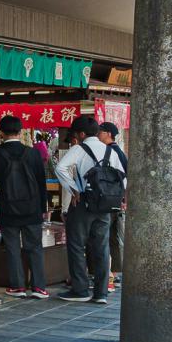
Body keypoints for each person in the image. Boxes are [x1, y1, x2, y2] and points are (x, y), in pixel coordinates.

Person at [54, 116, 125, 305]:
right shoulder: (110, 151)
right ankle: (101, 292)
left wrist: (73, 189)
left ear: (82, 134)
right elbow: (122, 178)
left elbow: (60, 168)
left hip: (83, 203)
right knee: (101, 246)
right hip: (105, 206)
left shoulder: (79, 149)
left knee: (77, 245)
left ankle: (81, 289)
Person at [0, 115, 49, 299]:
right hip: (32, 208)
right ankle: (39, 287)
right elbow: (41, 182)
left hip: (8, 209)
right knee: (35, 247)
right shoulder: (33, 154)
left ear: (1, 133)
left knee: (12, 247)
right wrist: (43, 206)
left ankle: (18, 286)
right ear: (20, 131)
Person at [100, 122, 127, 291]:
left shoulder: (113, 152)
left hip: (111, 199)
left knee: (107, 236)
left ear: (108, 133)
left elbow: (123, 177)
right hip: (117, 199)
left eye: (100, 132)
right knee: (113, 237)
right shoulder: (119, 151)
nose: (98, 135)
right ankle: (115, 272)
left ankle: (109, 273)